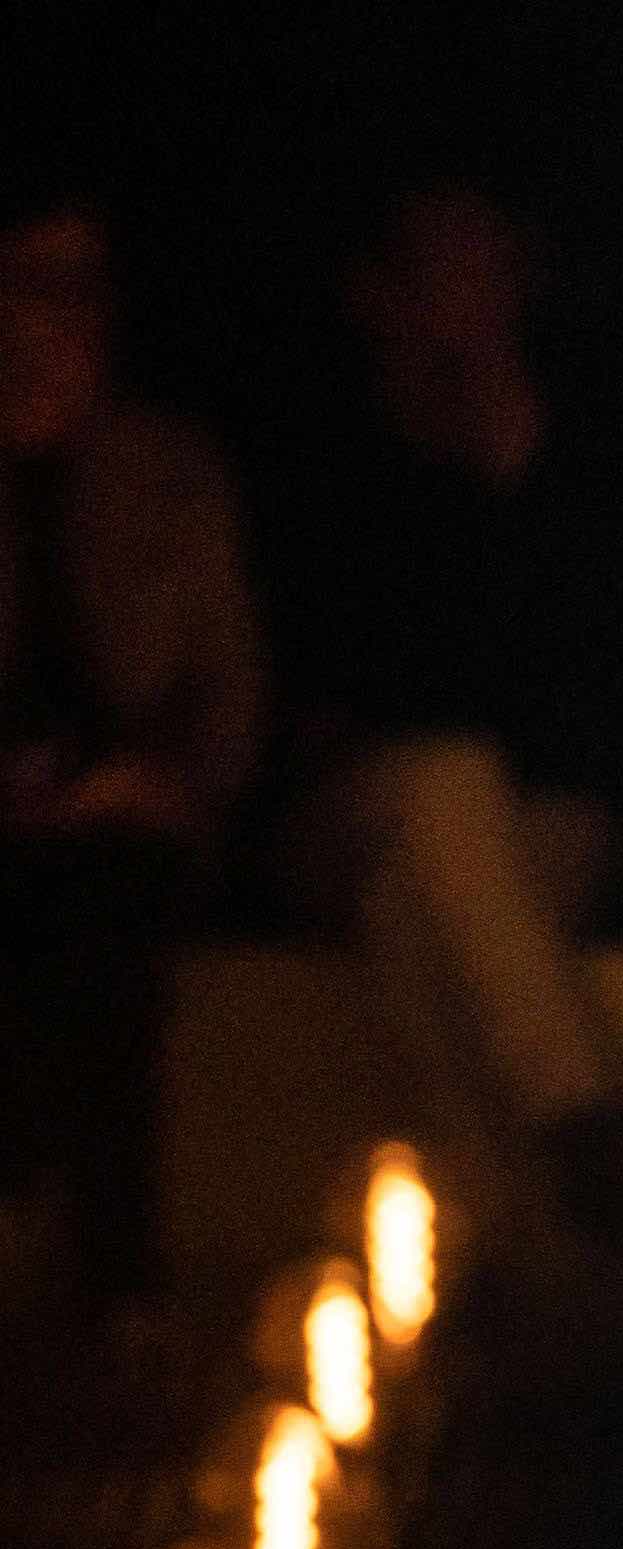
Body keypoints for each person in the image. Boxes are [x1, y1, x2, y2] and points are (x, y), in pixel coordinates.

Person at [269, 181, 623, 1246]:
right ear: (378, 293)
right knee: (438, 786)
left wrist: (510, 472)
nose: (471, 299)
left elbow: (594, 689)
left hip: (505, 830)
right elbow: (341, 697)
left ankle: (494, 1253)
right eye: (442, 269)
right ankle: (582, 1107)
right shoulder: (326, 460)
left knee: (419, 909)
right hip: (346, 810)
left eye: (490, 269)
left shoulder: (576, 461)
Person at [0, 180, 262, 1311]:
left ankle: (111, 1276)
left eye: (80, 290)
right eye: (33, 286)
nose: (55, 320)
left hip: (130, 821)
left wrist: (154, 783)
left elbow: (229, 689)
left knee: (107, 893)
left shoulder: (165, 472)